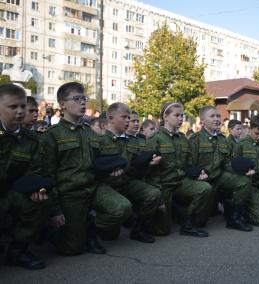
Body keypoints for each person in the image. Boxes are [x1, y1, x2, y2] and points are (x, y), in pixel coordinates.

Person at [41, 82, 132, 256]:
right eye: (77, 99)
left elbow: (102, 160)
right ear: (62, 104)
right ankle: (53, 232)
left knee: (123, 208)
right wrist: (55, 211)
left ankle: (89, 230)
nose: (83, 103)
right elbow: (47, 175)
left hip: (93, 187)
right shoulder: (52, 135)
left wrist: (113, 170)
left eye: (84, 99)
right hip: (70, 193)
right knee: (72, 249)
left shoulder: (89, 132)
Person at [147, 102, 213, 237]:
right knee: (162, 231)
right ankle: (148, 218)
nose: (180, 118)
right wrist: (158, 197)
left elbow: (189, 164)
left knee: (205, 188)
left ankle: (187, 223)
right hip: (163, 185)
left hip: (181, 182)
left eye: (182, 115)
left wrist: (198, 174)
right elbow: (150, 171)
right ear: (165, 117)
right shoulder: (155, 138)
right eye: (176, 115)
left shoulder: (183, 139)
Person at [98, 103, 162, 243]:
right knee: (110, 234)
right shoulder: (100, 140)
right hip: (107, 185)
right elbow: (93, 167)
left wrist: (149, 163)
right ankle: (91, 226)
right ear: (111, 118)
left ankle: (138, 229)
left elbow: (136, 166)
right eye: (124, 117)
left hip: (126, 182)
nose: (128, 120)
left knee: (153, 194)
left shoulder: (132, 142)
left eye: (129, 117)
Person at [0, 83, 47, 269]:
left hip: (14, 191)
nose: (19, 111)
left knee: (38, 201)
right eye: (13, 107)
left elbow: (35, 171)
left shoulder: (31, 139)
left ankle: (18, 250)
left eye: (22, 106)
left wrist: (38, 188)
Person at [189, 106, 253, 231]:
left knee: (244, 181)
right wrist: (198, 175)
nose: (217, 119)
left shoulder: (223, 139)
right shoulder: (195, 139)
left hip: (219, 177)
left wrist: (242, 172)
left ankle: (234, 218)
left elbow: (227, 163)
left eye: (218, 116)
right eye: (212, 116)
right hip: (203, 180)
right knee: (199, 222)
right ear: (202, 120)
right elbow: (191, 164)